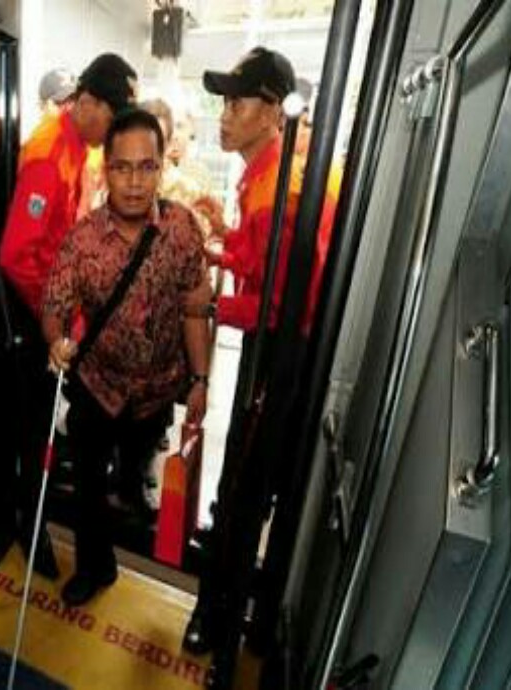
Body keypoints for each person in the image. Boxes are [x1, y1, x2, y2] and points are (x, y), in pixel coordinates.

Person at [181, 47, 339, 686]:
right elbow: (265, 259)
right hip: (280, 347)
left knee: (244, 494)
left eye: (238, 102)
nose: (225, 114)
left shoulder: (282, 190)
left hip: (283, 356)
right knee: (245, 488)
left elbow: (280, 303)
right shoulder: (268, 171)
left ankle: (217, 619)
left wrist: (208, 303)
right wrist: (224, 246)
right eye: (223, 102)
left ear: (274, 111)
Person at [43, 108, 211, 607]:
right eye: (122, 168)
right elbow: (54, 307)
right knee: (88, 488)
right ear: (106, 168)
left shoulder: (182, 229)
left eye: (146, 167)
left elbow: (194, 308)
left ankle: (132, 492)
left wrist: (200, 380)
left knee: (133, 484)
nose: (135, 182)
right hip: (98, 386)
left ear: (161, 167)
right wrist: (56, 340)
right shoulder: (83, 240)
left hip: (157, 393)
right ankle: (94, 566)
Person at [0, 53, 137, 580]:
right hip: (33, 312)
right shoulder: (49, 154)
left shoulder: (80, 147)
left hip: (58, 305)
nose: (114, 132)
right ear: (88, 102)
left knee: (55, 423)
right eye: (113, 118)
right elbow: (17, 257)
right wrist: (56, 323)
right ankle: (28, 527)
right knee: (36, 428)